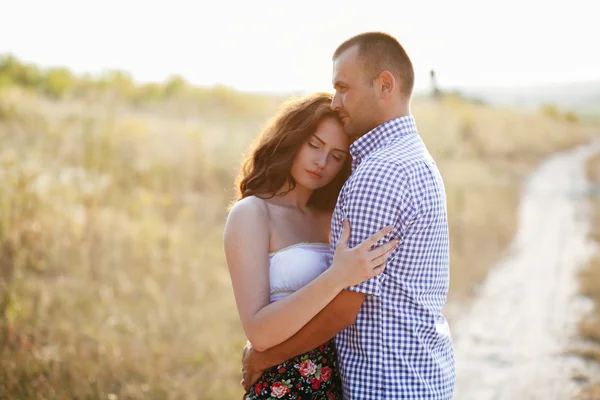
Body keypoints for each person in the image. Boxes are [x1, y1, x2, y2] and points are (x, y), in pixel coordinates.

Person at [242, 32, 455, 399]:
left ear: (384, 85)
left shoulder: (379, 173)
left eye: (343, 88)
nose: (336, 101)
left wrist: (263, 358)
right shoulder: (415, 158)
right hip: (423, 376)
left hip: (388, 385)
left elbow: (344, 308)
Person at [223, 92, 398, 399]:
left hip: (341, 380)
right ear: (293, 139)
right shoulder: (253, 213)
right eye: (314, 145)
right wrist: (336, 277)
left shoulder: (333, 216)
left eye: (336, 156)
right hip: (282, 384)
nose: (321, 162)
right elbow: (259, 333)